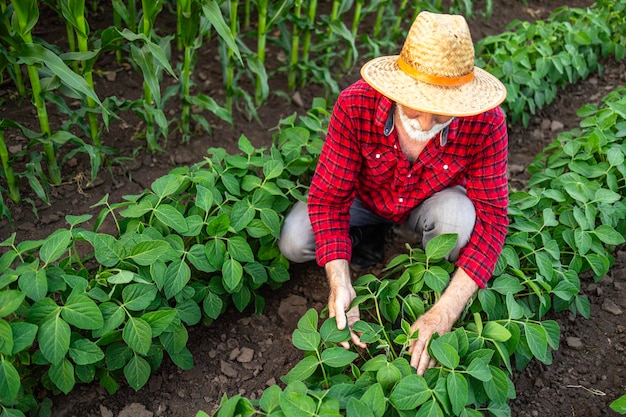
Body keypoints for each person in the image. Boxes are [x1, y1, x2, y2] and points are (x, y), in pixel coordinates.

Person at [278, 11, 509, 376]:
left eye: (444, 113)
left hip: (426, 204)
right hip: (363, 201)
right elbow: (327, 199)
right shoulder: (356, 104)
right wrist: (340, 285)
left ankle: (414, 249)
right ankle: (366, 236)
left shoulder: (486, 123)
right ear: (401, 87)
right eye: (419, 107)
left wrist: (443, 312)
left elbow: (493, 222)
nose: (428, 124)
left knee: (459, 222)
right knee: (295, 238)